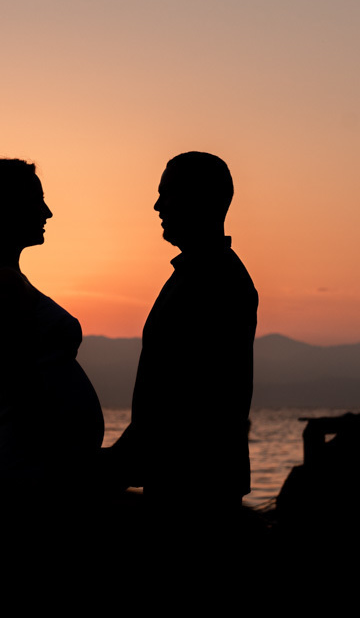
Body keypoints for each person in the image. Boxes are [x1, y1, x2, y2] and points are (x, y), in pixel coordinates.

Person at [106, 152, 258, 512]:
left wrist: (114, 466)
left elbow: (185, 395)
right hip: (185, 475)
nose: (157, 206)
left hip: (195, 483)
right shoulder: (196, 274)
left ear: (201, 199)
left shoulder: (215, 281)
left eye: (167, 193)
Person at [0, 158, 104, 486]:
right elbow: (25, 390)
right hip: (20, 474)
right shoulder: (4, 285)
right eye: (37, 200)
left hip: (25, 466)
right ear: (7, 209)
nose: (47, 213)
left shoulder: (7, 282)